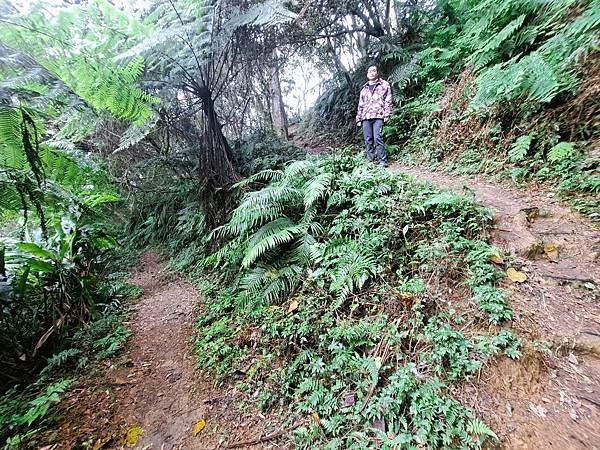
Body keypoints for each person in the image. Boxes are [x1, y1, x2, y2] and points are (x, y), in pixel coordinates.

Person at [355, 65, 392, 167]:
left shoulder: (384, 85)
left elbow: (388, 100)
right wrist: (358, 119)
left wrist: (387, 114)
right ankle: (370, 162)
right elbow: (360, 105)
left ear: (377, 73)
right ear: (367, 74)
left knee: (378, 138)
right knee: (368, 139)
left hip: (378, 116)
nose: (371, 73)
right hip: (366, 117)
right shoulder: (364, 89)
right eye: (369, 71)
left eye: (373, 71)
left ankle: (383, 161)